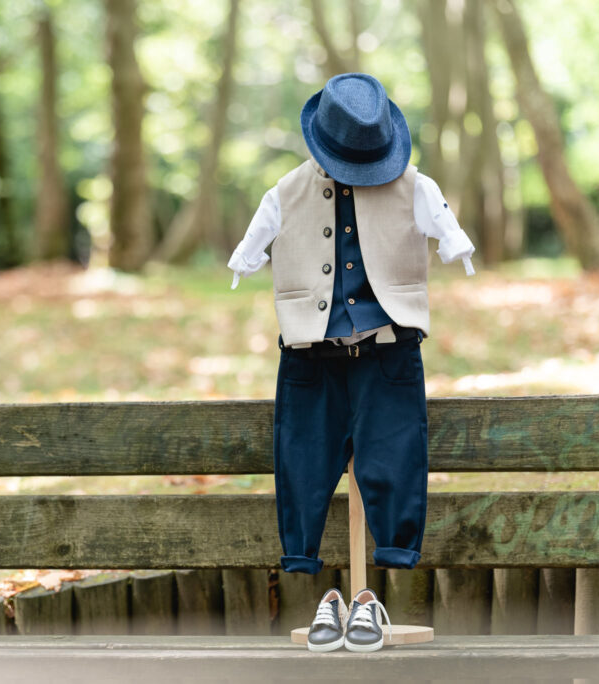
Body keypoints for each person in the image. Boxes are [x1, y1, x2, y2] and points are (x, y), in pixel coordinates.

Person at [227, 72, 476, 653]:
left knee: (394, 449)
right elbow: (257, 236)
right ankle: (309, 561)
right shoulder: (286, 191)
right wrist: (245, 258)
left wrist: (454, 243)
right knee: (304, 452)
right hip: (310, 355)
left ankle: (385, 566)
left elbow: (445, 224)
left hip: (388, 347)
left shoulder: (414, 186)